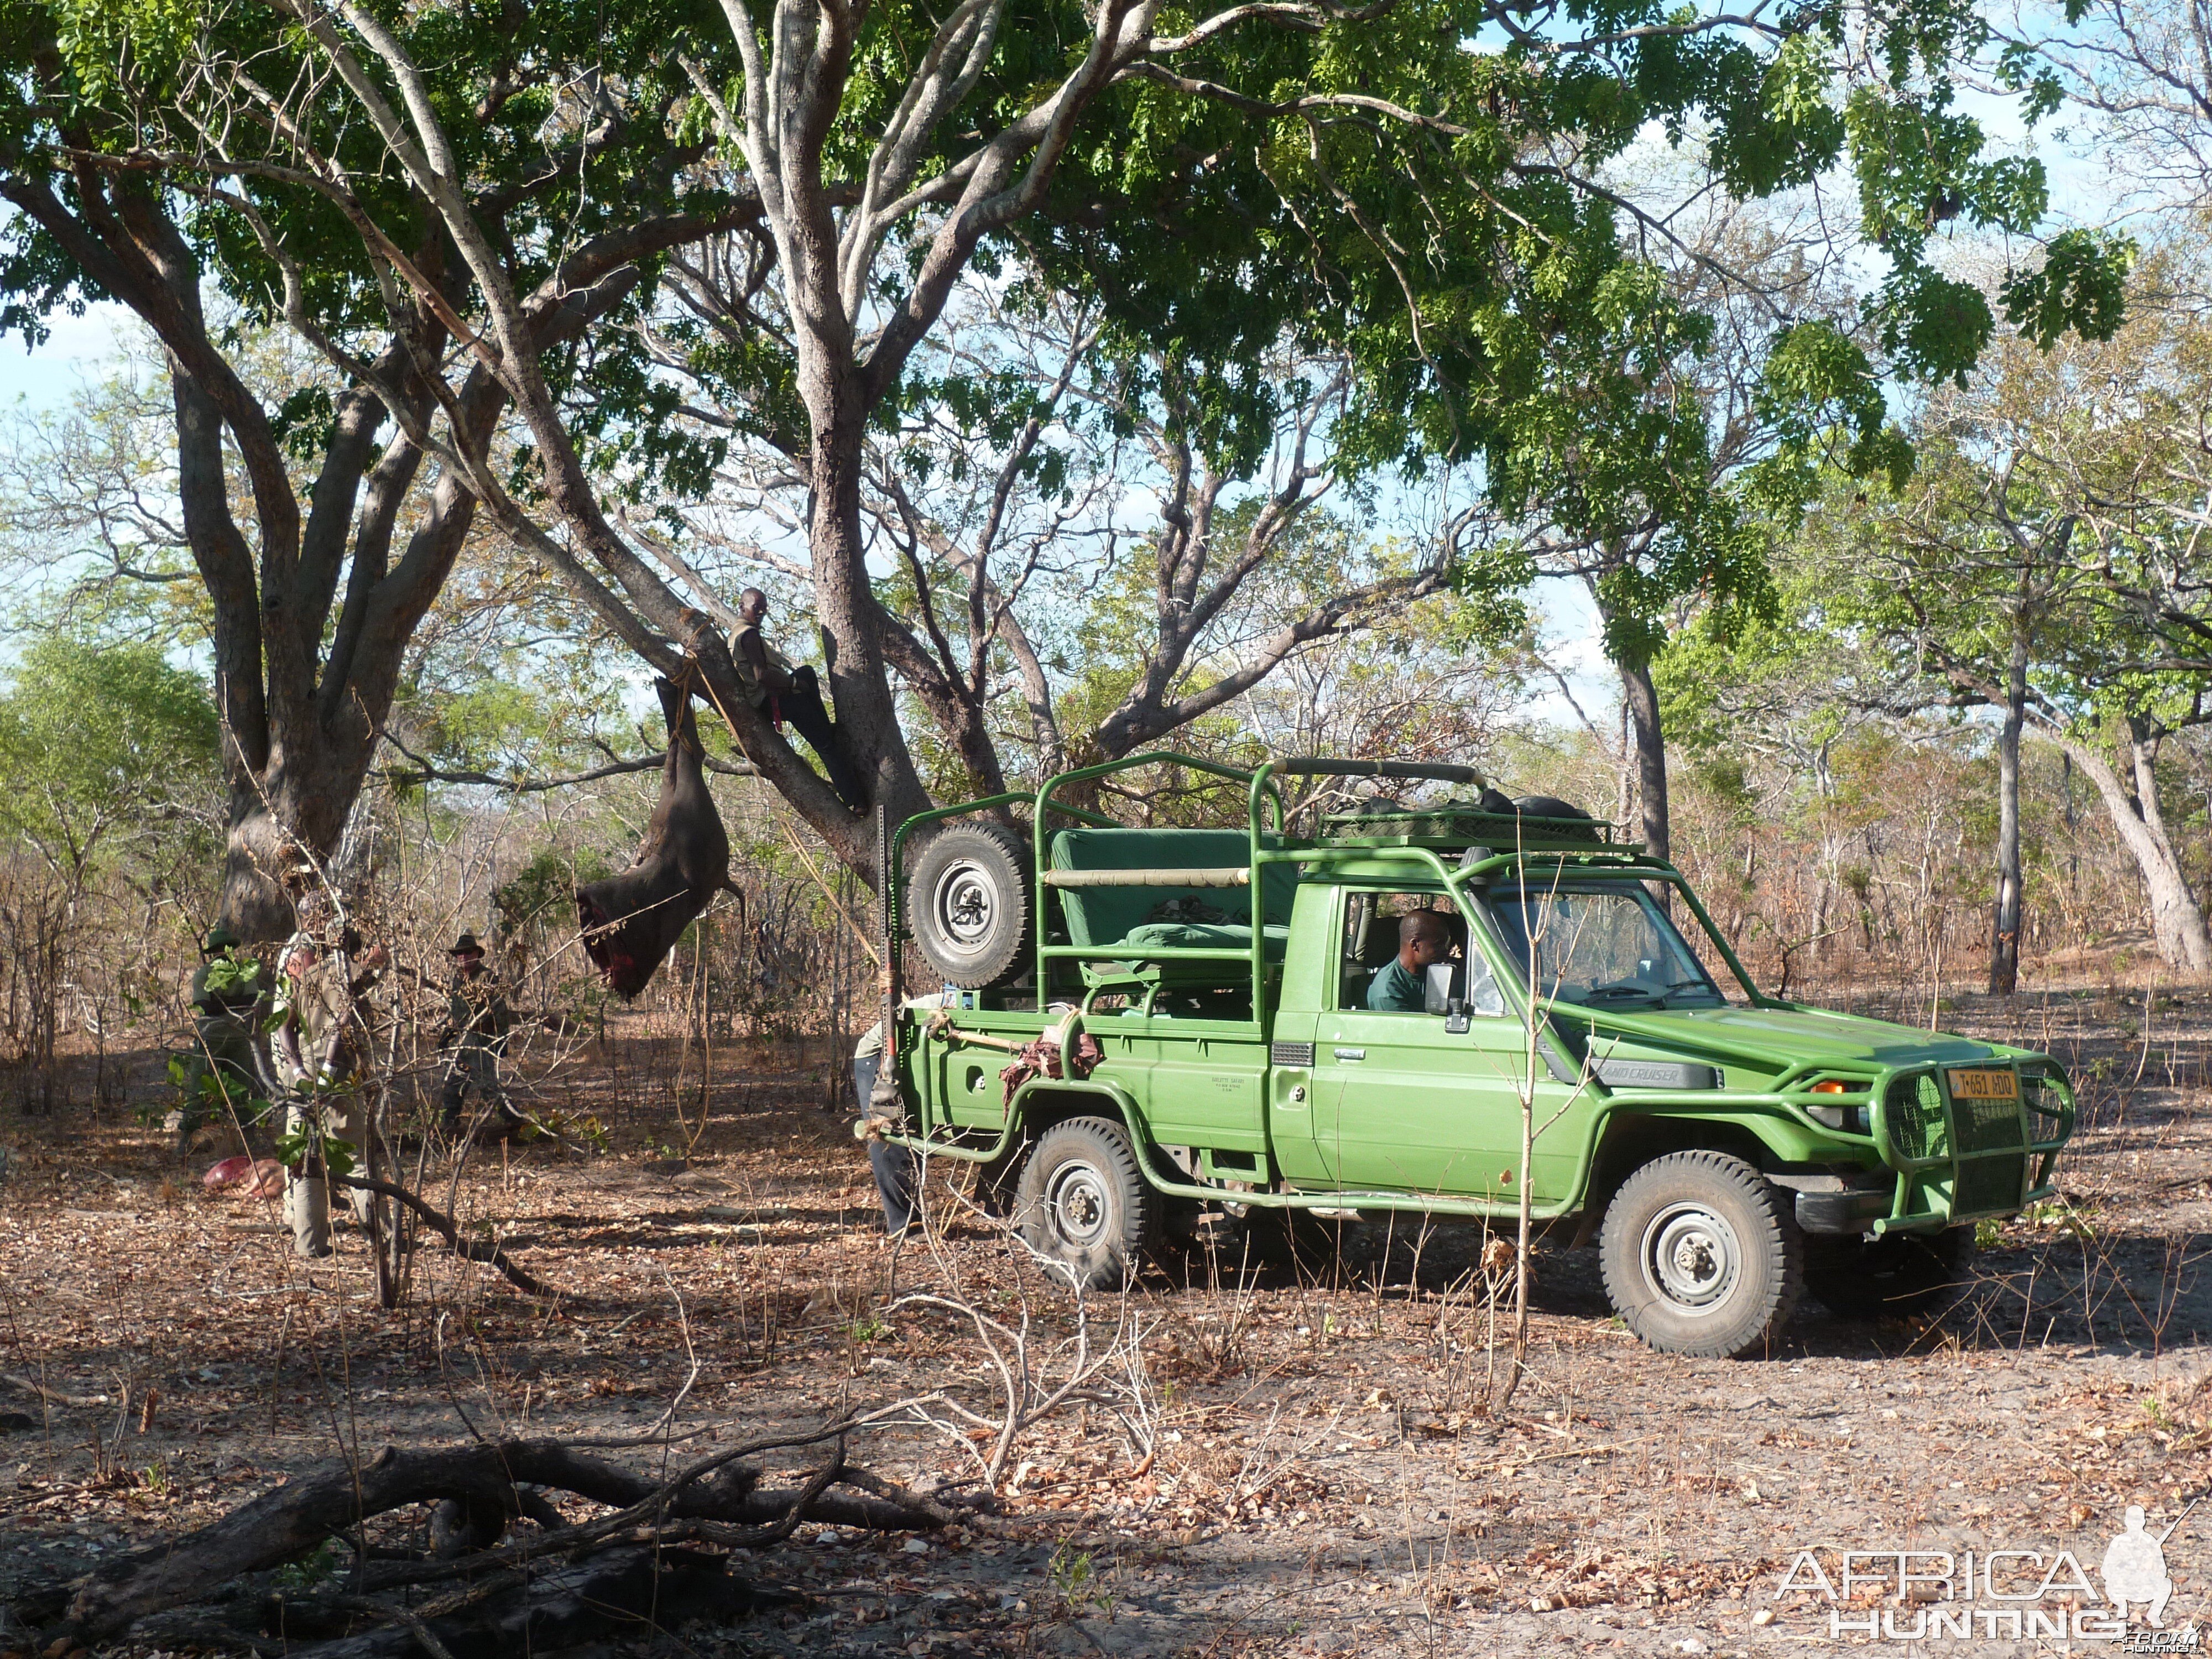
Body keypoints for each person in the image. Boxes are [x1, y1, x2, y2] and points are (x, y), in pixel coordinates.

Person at [271, 922, 388, 1258]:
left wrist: (297, 1068)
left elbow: (283, 1023)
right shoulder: (350, 977)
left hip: (303, 1077)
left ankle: (309, 1245)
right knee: (355, 1160)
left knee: (306, 1161)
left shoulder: (307, 976)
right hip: (335, 1078)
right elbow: (344, 1024)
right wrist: (325, 1074)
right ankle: (384, 1241)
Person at [729, 587, 867, 811]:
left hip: (771, 696)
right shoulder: (749, 634)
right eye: (756, 607)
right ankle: (856, 801)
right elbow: (762, 675)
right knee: (826, 745)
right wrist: (794, 685)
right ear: (742, 607)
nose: (762, 612)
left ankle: (824, 726)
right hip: (773, 699)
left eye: (764, 608)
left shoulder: (737, 632)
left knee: (807, 672)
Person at [170, 925, 269, 1151]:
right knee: (200, 1086)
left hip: (233, 1036)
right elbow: (208, 1005)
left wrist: (221, 1004)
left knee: (240, 1086)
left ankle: (248, 1140)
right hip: (221, 1035)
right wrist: (234, 1005)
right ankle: (186, 1140)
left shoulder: (237, 972)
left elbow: (245, 1000)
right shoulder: (213, 973)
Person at [440, 933, 520, 1135]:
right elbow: (456, 1013)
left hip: (480, 1042)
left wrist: (501, 1041)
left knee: (488, 1087)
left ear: (477, 953)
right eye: (459, 954)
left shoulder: (487, 978)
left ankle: (517, 1122)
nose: (463, 957)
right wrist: (447, 1036)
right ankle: (449, 1125)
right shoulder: (458, 980)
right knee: (454, 1084)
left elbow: (500, 1012)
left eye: (468, 952)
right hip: (462, 1041)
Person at [852, 1020, 918, 1235]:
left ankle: (914, 1220)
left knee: (914, 1137)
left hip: (910, 1051)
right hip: (879, 1056)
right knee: (889, 1138)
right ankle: (903, 1227)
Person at [2102, 1505, 2175, 1626]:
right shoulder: (2118, 1541)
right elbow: (2106, 1570)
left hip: (2144, 1586)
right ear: (2126, 1521)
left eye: (2138, 1520)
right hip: (2123, 1586)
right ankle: (2122, 1606)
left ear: (2144, 1522)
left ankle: (2154, 1614)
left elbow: (2162, 1571)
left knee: (2167, 1583)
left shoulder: (2150, 1541)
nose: (2135, 1524)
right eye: (2132, 1520)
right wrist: (2125, 1568)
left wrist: (2151, 1567)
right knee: (2111, 1582)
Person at [1368, 911, 1453, 1013]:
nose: (1445, 951)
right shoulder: (1388, 991)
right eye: (1438, 945)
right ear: (1415, 944)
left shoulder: (1431, 973)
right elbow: (1407, 1027)